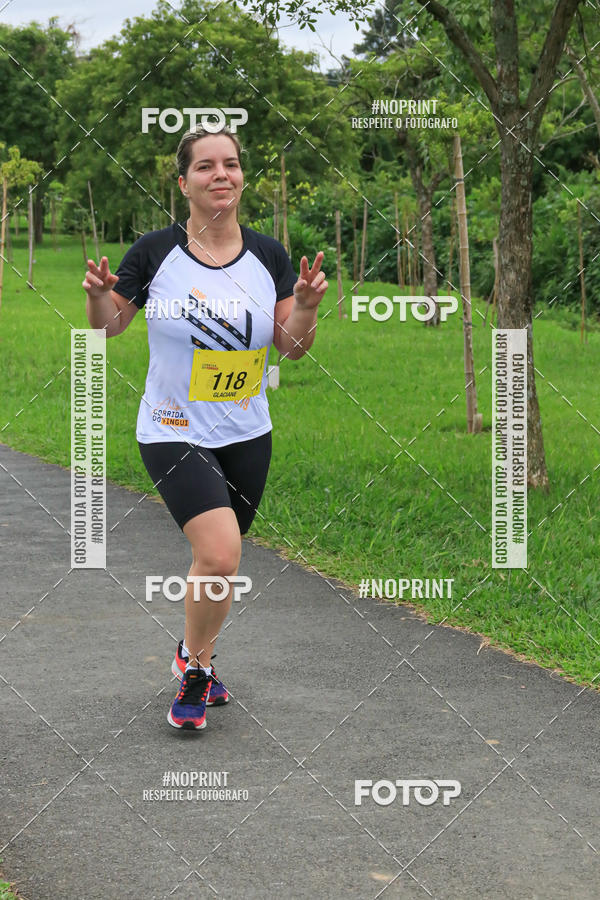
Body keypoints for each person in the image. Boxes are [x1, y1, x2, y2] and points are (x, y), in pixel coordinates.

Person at [83, 125, 328, 731]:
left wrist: (305, 305)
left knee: (217, 564)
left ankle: (199, 656)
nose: (222, 174)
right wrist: (99, 296)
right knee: (220, 556)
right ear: (184, 181)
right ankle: (195, 674)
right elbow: (106, 329)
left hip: (247, 431)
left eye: (233, 165)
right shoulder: (154, 252)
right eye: (207, 167)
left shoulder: (268, 254)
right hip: (173, 428)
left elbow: (292, 348)